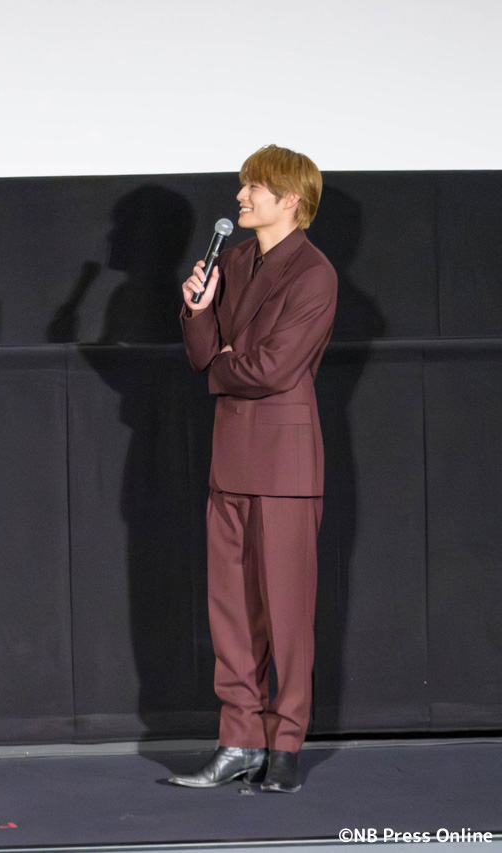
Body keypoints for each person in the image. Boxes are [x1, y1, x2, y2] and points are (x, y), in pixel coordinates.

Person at [169, 145, 337, 794]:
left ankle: (285, 742)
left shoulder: (314, 273)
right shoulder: (234, 260)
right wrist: (200, 309)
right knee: (232, 612)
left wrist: (225, 361)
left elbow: (273, 367)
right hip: (231, 459)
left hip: (286, 466)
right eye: (243, 186)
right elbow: (204, 355)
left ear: (289, 199)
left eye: (253, 188)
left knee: (287, 615)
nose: (240, 196)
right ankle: (239, 740)